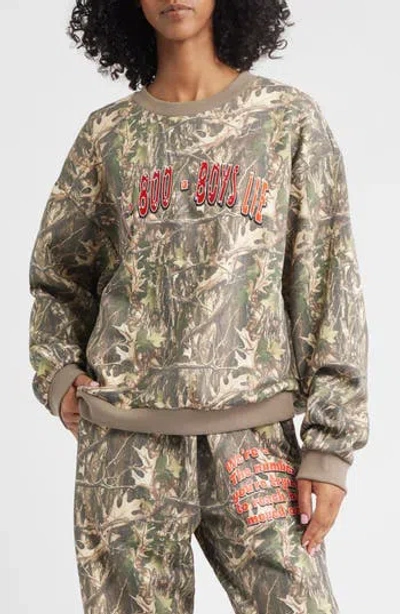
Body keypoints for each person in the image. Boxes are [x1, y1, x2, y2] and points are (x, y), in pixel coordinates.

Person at [28, 1, 369, 612]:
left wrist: (329, 446)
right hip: (124, 448)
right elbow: (60, 275)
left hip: (253, 441)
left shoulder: (286, 120)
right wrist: (58, 374)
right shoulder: (108, 135)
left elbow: (327, 282)